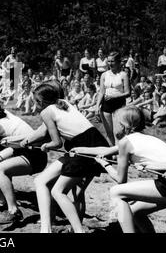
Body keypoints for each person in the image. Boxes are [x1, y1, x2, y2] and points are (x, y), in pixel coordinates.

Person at [32, 83, 111, 233]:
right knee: (41, 181)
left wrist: (46, 146)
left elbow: (56, 143)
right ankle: (46, 228)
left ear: (40, 102)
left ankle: (77, 230)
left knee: (58, 191)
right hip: (95, 142)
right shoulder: (64, 104)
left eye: (35, 101)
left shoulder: (46, 112)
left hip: (83, 147)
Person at [96, 106, 166, 233]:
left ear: (123, 126)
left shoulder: (125, 142)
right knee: (135, 211)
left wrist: (105, 164)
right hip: (165, 181)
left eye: (116, 122)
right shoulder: (148, 138)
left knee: (116, 192)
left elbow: (121, 180)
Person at [96, 52, 130, 145]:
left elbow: (128, 93)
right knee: (109, 133)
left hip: (119, 105)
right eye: (109, 61)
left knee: (119, 133)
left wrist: (115, 96)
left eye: (113, 61)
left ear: (118, 62)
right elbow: (101, 92)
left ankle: (121, 154)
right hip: (106, 105)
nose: (110, 63)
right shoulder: (104, 75)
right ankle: (112, 155)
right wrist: (96, 107)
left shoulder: (123, 75)